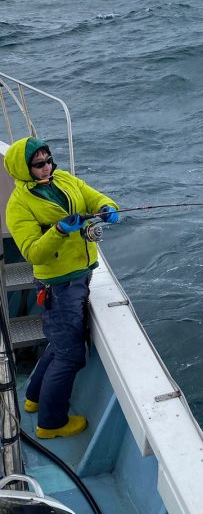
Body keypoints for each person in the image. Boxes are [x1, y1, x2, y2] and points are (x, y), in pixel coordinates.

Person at [4, 136, 119, 439]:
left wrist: (107, 207)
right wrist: (58, 230)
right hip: (59, 285)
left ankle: (33, 397)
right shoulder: (18, 206)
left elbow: (93, 197)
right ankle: (51, 423)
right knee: (70, 355)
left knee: (58, 343)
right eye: (38, 164)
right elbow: (32, 252)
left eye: (48, 160)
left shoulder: (64, 179)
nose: (47, 167)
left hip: (80, 275)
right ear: (24, 169)